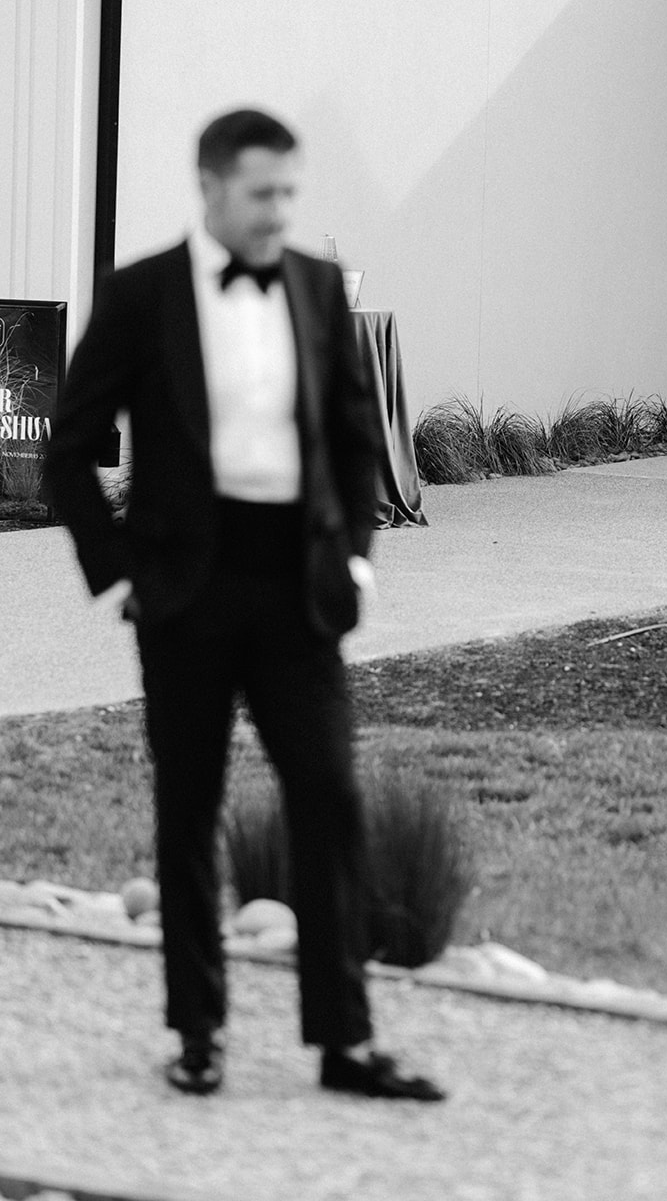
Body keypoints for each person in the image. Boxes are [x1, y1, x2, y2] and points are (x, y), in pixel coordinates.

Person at [45, 108, 444, 1102]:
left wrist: (355, 561)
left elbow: (357, 443)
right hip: (183, 596)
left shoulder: (312, 286)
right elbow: (68, 447)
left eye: (288, 193)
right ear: (212, 187)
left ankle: (345, 1044)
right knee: (187, 814)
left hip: (298, 595)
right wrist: (119, 571)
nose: (280, 213)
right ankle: (197, 1034)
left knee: (330, 802)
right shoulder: (139, 296)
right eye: (263, 193)